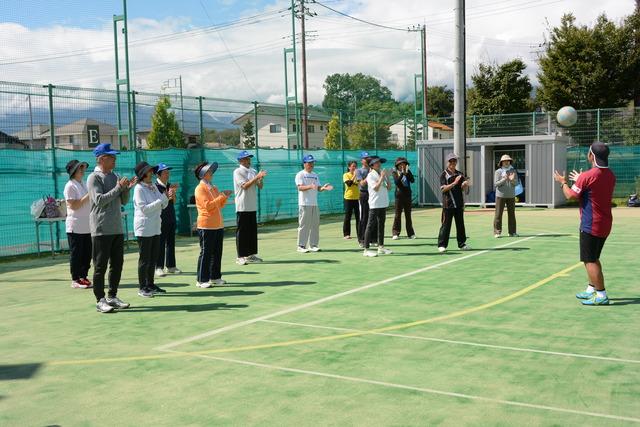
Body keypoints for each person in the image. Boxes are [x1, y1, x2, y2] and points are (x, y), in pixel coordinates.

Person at [553, 142, 616, 306]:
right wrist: (580, 180)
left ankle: (601, 295)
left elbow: (570, 195)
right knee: (594, 257)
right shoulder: (610, 175)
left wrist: (562, 182)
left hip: (591, 224)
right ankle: (591, 289)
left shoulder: (588, 176)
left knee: (589, 260)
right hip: (605, 222)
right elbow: (591, 190)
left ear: (591, 156)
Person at [87, 143, 137, 313]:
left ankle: (112, 296)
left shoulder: (114, 175)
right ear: (101, 159)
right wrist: (118, 187)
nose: (115, 160)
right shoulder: (94, 178)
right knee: (100, 266)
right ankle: (100, 300)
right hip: (101, 228)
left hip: (116, 227)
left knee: (117, 264)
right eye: (111, 157)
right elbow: (100, 200)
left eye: (114, 157)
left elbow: (123, 201)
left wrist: (126, 189)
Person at [134, 161, 173, 298]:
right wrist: (162, 199)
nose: (151, 172)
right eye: (149, 171)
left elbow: (163, 205)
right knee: (144, 259)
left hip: (156, 226)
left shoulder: (153, 187)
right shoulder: (139, 188)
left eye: (151, 170)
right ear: (143, 174)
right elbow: (144, 209)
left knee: (153, 258)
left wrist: (166, 197)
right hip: (144, 228)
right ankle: (142, 287)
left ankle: (150, 284)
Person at [194, 161, 231, 288]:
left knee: (217, 252)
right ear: (202, 174)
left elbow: (219, 205)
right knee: (206, 252)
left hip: (217, 224)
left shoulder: (213, 187)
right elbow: (208, 206)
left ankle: (215, 277)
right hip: (206, 225)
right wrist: (221, 196)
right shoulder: (200, 188)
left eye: (211, 171)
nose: (211, 173)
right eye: (209, 171)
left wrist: (224, 197)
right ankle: (201, 279)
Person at [233, 150, 267, 265]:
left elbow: (260, 186)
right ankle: (240, 256)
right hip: (242, 206)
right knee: (242, 232)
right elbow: (245, 186)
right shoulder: (238, 171)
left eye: (249, 158)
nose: (248, 160)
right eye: (246, 158)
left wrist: (260, 178)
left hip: (252, 206)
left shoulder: (253, 171)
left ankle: (251, 255)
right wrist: (256, 176)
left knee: (252, 232)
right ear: (240, 160)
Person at [295, 154, 333, 253]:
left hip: (314, 204)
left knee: (315, 225)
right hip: (304, 203)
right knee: (304, 225)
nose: (311, 164)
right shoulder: (300, 174)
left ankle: (313, 245)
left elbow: (318, 188)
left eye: (312, 162)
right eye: (309, 162)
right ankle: (301, 246)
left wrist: (323, 188)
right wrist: (310, 186)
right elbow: (300, 188)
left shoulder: (315, 175)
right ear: (304, 164)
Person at [64, 159, 92, 289]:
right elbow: (73, 205)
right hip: (75, 226)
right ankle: (75, 279)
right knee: (76, 254)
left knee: (87, 254)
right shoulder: (70, 185)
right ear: (73, 171)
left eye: (83, 167)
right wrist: (89, 195)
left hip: (87, 226)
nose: (82, 170)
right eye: (79, 168)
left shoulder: (84, 184)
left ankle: (83, 277)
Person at [437, 153, 471, 253]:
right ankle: (442, 245)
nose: (453, 163)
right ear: (447, 163)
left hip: (459, 204)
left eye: (454, 161)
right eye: (450, 161)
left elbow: (465, 190)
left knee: (460, 225)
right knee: (445, 225)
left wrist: (465, 185)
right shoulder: (443, 174)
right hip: (448, 205)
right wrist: (454, 183)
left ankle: (462, 244)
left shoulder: (460, 174)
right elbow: (443, 189)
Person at [155, 163, 181, 277]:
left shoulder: (169, 185)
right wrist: (167, 196)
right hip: (160, 218)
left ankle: (170, 266)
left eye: (168, 172)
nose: (167, 174)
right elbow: (158, 204)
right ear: (159, 174)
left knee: (171, 242)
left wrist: (173, 194)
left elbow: (173, 202)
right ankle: (158, 267)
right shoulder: (155, 186)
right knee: (160, 243)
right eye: (165, 172)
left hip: (171, 216)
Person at [363, 156, 392, 257]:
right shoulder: (370, 175)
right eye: (377, 163)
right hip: (374, 204)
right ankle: (366, 250)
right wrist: (382, 177)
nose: (379, 164)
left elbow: (389, 188)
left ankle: (381, 247)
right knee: (370, 225)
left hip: (383, 203)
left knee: (381, 225)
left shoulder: (381, 174)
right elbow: (375, 188)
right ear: (372, 165)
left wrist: (387, 177)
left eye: (380, 162)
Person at [494, 154, 519, 238]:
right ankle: (497, 232)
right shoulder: (498, 172)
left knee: (512, 214)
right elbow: (496, 184)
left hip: (511, 196)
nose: (507, 162)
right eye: (505, 161)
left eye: (508, 161)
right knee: (498, 214)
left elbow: (516, 183)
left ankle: (512, 232)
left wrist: (512, 180)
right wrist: (504, 179)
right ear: (501, 162)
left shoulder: (513, 171)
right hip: (500, 196)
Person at [391, 157, 416, 240]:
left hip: (407, 195)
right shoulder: (395, 172)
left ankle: (411, 234)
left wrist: (407, 173)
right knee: (398, 214)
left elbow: (412, 180)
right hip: (399, 195)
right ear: (397, 165)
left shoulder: (408, 172)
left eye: (404, 164)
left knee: (408, 215)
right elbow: (397, 182)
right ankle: (395, 233)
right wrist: (402, 174)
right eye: (401, 164)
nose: (402, 165)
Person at [355, 151, 373, 247]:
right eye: (365, 158)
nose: (367, 160)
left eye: (368, 158)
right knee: (364, 217)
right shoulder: (358, 171)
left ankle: (371, 239)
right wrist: (369, 175)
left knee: (373, 216)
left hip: (373, 194)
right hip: (364, 195)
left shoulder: (373, 169)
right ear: (362, 160)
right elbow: (362, 183)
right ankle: (361, 239)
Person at [342, 160, 360, 240]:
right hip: (348, 198)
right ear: (349, 167)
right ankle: (346, 234)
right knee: (347, 217)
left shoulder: (358, 175)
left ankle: (360, 233)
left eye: (355, 166)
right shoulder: (346, 175)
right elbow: (349, 184)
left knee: (358, 217)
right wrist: (354, 176)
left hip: (357, 198)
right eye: (352, 166)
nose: (354, 168)